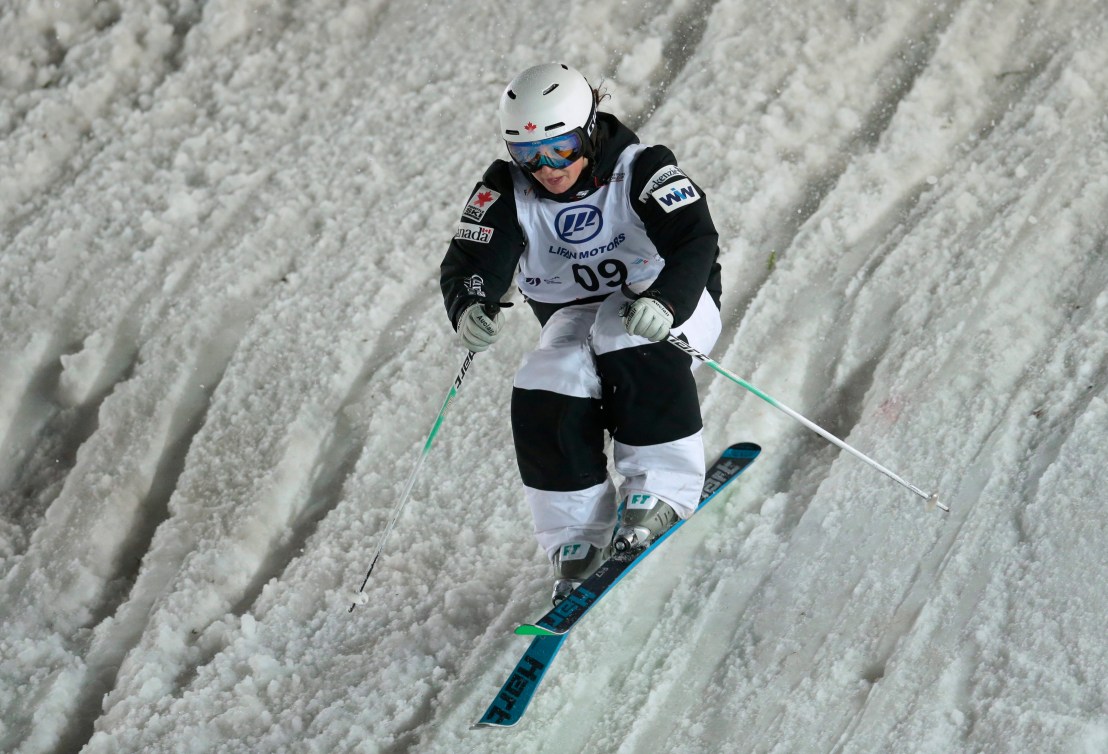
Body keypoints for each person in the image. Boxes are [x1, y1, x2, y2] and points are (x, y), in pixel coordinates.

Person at [440, 63, 723, 604]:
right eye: (530, 156)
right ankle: (575, 534)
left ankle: (660, 488)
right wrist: (471, 303)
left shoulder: (643, 169)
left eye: (562, 149)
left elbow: (695, 238)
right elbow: (472, 258)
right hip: (577, 315)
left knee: (624, 333)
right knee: (548, 374)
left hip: (666, 304)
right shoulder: (506, 190)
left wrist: (666, 299)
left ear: (590, 129)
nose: (547, 169)